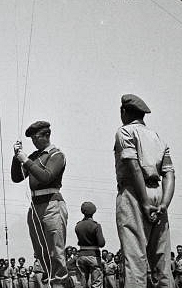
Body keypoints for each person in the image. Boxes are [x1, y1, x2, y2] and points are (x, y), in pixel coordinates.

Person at [113, 94, 175, 288]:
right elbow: (169, 174)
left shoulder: (124, 132)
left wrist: (145, 202)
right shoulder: (157, 137)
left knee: (135, 259)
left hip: (134, 193)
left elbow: (134, 167)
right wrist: (164, 204)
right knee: (161, 260)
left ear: (124, 112)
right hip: (159, 194)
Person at [12, 121, 68, 286]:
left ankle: (59, 283)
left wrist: (26, 161)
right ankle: (50, 281)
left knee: (56, 250)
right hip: (35, 206)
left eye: (35, 137)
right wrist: (17, 157)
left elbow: (46, 177)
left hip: (52, 204)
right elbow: (16, 177)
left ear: (46, 135)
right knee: (40, 250)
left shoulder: (56, 155)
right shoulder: (34, 156)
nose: (33, 142)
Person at [74, 202, 105, 288]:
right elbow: (101, 243)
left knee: (82, 283)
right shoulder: (96, 225)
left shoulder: (78, 225)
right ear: (93, 211)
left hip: (81, 256)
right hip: (93, 256)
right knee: (96, 283)